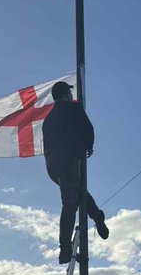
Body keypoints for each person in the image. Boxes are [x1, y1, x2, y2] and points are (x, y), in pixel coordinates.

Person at [42, 80, 110, 264]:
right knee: (70, 203)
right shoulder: (72, 108)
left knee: (78, 190)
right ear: (66, 94)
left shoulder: (48, 119)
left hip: (52, 165)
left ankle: (97, 215)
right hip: (68, 158)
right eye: (70, 93)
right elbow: (88, 128)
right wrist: (88, 146)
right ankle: (65, 250)